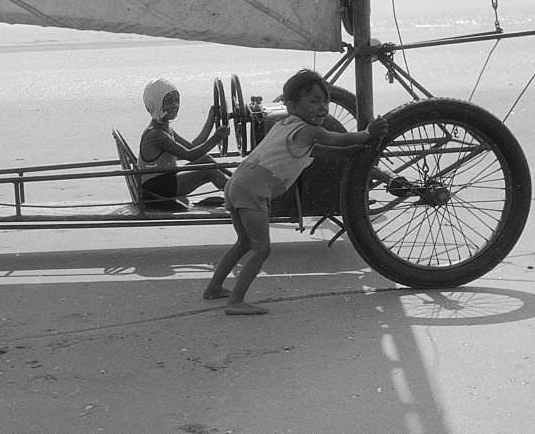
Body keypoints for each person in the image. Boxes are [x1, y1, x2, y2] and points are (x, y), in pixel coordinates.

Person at [202, 69, 388, 315]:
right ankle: (236, 301)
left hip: (237, 184)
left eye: (325, 101)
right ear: (291, 105)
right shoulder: (310, 130)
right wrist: (367, 134)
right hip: (252, 192)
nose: (322, 108)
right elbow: (335, 140)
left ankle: (213, 288)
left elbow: (317, 152)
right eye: (313, 101)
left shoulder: (287, 124)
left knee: (244, 243)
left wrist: (349, 153)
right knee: (262, 249)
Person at [138, 78, 230, 211]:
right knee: (209, 169)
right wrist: (217, 137)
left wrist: (211, 119)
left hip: (165, 179)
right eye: (169, 101)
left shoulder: (165, 129)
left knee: (206, 160)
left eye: (177, 100)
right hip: (157, 190)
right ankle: (241, 196)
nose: (175, 105)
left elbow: (192, 146)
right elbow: (191, 155)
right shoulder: (156, 134)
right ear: (156, 104)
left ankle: (239, 183)